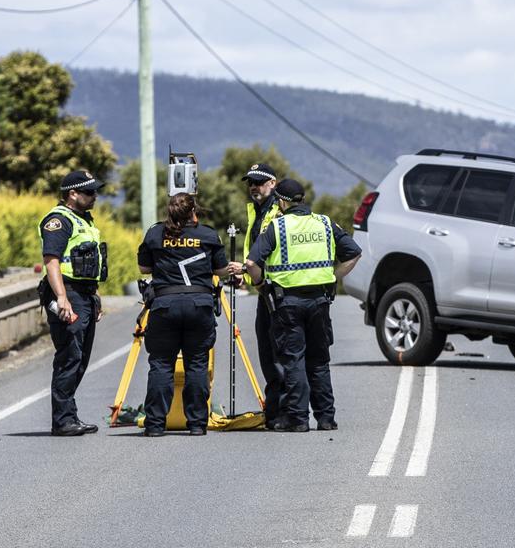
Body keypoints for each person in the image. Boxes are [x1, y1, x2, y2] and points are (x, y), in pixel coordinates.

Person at [245, 178, 361, 432]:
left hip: (287, 303)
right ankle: (326, 417)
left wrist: (261, 284)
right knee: (319, 360)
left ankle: (297, 418)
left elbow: (252, 263)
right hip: (320, 301)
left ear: (283, 201)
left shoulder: (277, 227)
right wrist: (334, 276)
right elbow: (354, 253)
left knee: (294, 360)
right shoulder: (325, 223)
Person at [137, 193, 244, 437]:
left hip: (164, 306)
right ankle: (196, 423)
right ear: (194, 210)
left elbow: (144, 268)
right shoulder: (207, 235)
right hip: (199, 305)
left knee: (161, 364)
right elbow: (219, 268)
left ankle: (155, 425)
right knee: (196, 363)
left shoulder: (155, 234)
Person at [38, 169, 107, 437]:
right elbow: (51, 260)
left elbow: (88, 263)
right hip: (67, 293)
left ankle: (69, 415)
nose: (95, 196)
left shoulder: (84, 221)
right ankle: (63, 420)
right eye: (89, 192)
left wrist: (95, 297)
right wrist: (62, 297)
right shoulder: (58, 220)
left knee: (81, 358)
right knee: (70, 356)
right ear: (72, 194)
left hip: (85, 294)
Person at [240, 163, 284, 426]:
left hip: (278, 290)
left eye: (259, 182)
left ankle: (284, 411)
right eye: (250, 182)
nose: (254, 187)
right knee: (266, 354)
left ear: (273, 183)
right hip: (262, 290)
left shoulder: (279, 211)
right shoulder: (256, 211)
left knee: (279, 354)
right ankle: (275, 410)